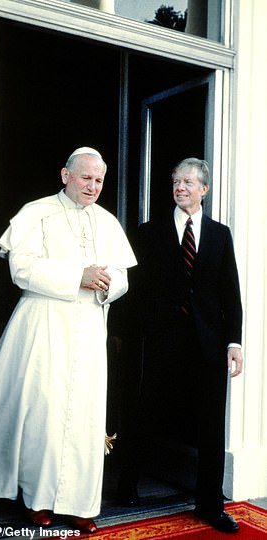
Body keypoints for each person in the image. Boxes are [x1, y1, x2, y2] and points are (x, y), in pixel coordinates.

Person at [0, 147, 137, 534]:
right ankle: (38, 499)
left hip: (88, 326)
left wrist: (106, 283)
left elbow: (122, 274)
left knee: (85, 416)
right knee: (44, 413)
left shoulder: (106, 222)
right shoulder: (37, 212)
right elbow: (21, 268)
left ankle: (79, 503)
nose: (93, 186)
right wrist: (77, 277)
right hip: (44, 324)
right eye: (86, 177)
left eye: (99, 180)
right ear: (65, 175)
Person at [118, 158, 243, 534]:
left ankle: (210, 503)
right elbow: (134, 290)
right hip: (160, 338)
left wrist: (234, 342)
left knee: (210, 423)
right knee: (144, 411)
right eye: (176, 181)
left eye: (188, 182)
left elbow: (229, 292)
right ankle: (127, 486)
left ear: (204, 189)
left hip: (208, 342)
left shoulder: (220, 235)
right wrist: (124, 333)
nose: (180, 187)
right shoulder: (149, 232)